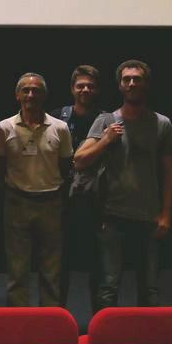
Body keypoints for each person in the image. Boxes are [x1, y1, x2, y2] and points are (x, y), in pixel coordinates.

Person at [74, 60, 172, 309]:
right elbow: (79, 160)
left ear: (146, 85)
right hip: (112, 215)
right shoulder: (106, 121)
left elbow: (169, 172)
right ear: (120, 86)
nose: (132, 84)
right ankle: (105, 343)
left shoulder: (161, 123)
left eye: (137, 79)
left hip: (149, 216)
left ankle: (147, 341)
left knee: (150, 288)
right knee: (109, 286)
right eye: (127, 79)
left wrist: (165, 213)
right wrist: (106, 140)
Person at [0, 73, 73, 307]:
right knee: (17, 269)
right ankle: (20, 322)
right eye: (26, 90)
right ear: (17, 95)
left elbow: (65, 165)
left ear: (44, 95)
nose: (31, 95)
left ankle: (51, 321)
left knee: (52, 269)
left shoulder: (60, 128)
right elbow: (0, 166)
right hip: (17, 202)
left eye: (36, 90)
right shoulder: (4, 127)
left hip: (51, 202)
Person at [52, 65, 104, 307]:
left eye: (90, 86)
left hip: (97, 200)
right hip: (62, 200)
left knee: (99, 264)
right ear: (72, 89)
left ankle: (101, 321)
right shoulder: (57, 118)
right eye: (80, 85)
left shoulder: (107, 120)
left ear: (97, 90)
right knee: (59, 263)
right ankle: (57, 319)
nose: (85, 89)